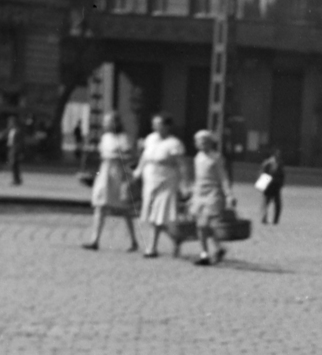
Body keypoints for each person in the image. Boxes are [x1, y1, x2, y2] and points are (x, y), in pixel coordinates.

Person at [83, 111, 139, 252]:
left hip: (118, 173)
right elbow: (101, 157)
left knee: (125, 209)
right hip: (105, 172)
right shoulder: (105, 137)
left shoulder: (124, 138)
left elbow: (130, 157)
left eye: (108, 121)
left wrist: (116, 156)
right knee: (100, 206)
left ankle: (133, 240)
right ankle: (94, 239)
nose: (104, 124)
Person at [133, 114, 188, 259]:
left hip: (167, 181)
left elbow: (182, 165)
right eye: (154, 124)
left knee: (159, 214)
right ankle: (176, 238)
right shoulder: (151, 138)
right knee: (152, 214)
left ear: (167, 126)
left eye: (158, 124)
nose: (155, 127)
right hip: (150, 180)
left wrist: (185, 185)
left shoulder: (174, 143)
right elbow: (145, 156)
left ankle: (151, 248)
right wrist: (138, 171)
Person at [189, 128, 233, 267]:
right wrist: (192, 192)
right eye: (199, 142)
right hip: (199, 194)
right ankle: (213, 251)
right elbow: (197, 177)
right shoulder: (197, 157)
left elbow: (223, 177)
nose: (201, 144)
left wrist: (229, 194)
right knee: (201, 226)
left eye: (204, 141)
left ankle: (207, 253)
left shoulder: (216, 157)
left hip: (213, 194)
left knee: (205, 224)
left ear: (210, 143)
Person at [259, 148, 284, 225]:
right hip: (269, 186)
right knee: (266, 203)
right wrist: (262, 185)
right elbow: (263, 173)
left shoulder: (280, 163)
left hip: (276, 186)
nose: (278, 156)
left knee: (278, 204)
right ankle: (264, 218)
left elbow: (282, 175)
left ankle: (275, 220)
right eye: (277, 154)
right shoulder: (267, 163)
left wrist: (281, 184)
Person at [5, 118, 23, 185]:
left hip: (16, 150)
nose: (10, 124)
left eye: (11, 122)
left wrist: (19, 151)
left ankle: (16, 180)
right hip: (11, 149)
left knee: (15, 165)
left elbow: (20, 142)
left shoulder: (18, 131)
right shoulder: (10, 130)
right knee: (13, 165)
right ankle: (16, 179)